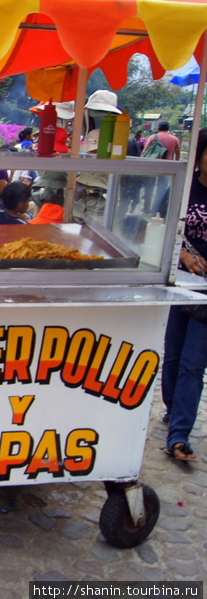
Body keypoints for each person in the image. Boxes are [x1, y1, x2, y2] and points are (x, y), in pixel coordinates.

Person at [161, 127, 207, 462]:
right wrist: (181, 254)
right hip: (180, 282)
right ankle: (172, 410)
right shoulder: (185, 187)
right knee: (174, 355)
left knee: (193, 363)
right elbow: (161, 222)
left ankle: (179, 436)